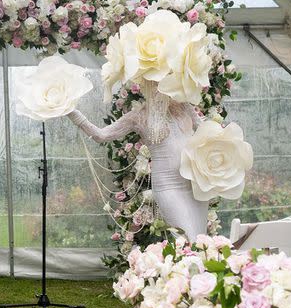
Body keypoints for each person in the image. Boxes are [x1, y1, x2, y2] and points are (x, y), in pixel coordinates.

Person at [66, 81, 207, 240]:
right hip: (169, 186)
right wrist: (71, 111)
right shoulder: (139, 115)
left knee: (202, 240)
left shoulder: (184, 106)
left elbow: (208, 132)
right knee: (187, 240)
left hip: (194, 184)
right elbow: (101, 135)